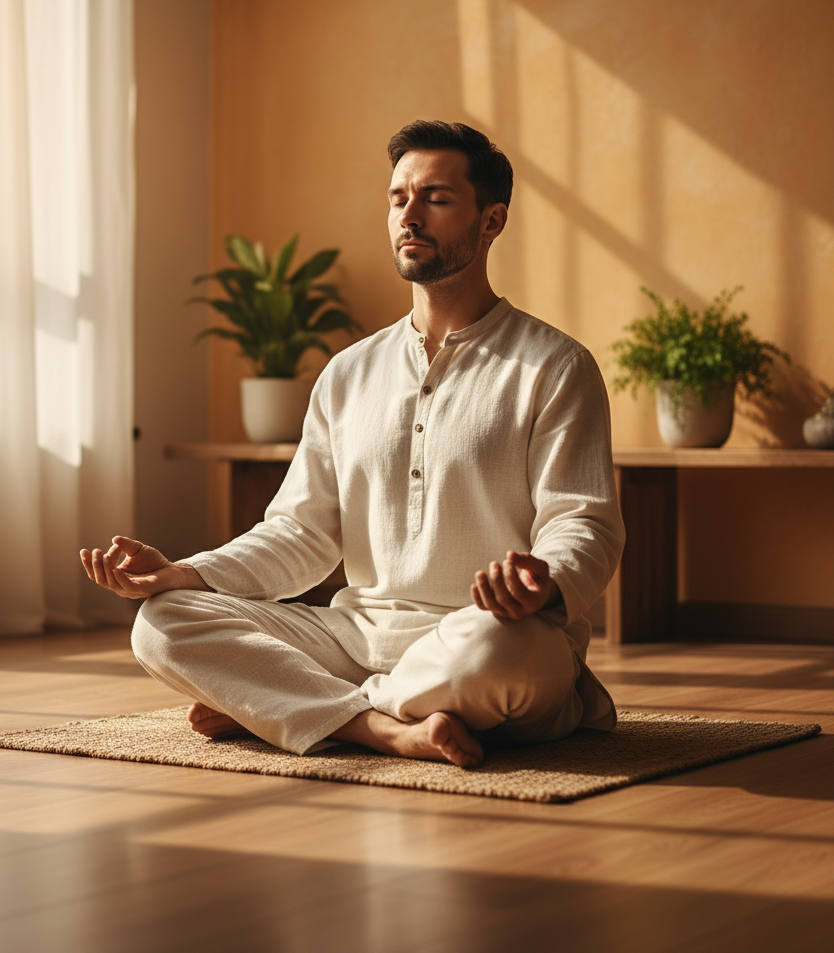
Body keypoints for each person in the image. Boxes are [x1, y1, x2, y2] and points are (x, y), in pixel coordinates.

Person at [81, 119, 625, 769]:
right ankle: (385, 728)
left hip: (485, 633)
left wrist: (544, 583)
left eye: (436, 198)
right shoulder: (348, 373)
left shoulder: (556, 367)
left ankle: (290, 707)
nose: (410, 216)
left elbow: (582, 522)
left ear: (491, 221)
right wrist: (187, 574)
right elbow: (301, 533)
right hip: (356, 634)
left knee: (502, 656)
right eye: (398, 198)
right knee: (163, 622)